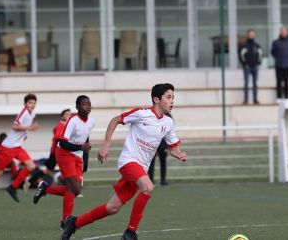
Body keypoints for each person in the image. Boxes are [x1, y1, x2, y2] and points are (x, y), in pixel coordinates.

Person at [60, 83, 187, 240]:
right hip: (129, 161)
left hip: (141, 168)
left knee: (112, 207)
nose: (172, 101)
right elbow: (115, 120)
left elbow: (173, 148)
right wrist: (106, 146)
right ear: (156, 99)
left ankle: (74, 222)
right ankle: (130, 232)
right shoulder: (141, 113)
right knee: (148, 187)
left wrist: (179, 154)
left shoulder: (168, 123)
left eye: (173, 98)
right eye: (168, 97)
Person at [33, 96, 94, 229]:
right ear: (77, 107)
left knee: (76, 190)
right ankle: (65, 222)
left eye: (89, 104)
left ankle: (45, 188)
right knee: (73, 187)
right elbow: (62, 142)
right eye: (84, 104)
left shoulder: (91, 122)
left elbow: (86, 139)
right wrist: (80, 147)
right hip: (64, 154)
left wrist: (85, 159)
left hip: (78, 156)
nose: (88, 106)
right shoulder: (72, 121)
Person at [27, 109, 72, 186]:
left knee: (48, 170)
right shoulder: (61, 126)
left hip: (57, 152)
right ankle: (70, 187)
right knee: (68, 169)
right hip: (57, 152)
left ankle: (32, 179)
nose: (69, 116)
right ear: (62, 117)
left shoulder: (65, 126)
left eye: (70, 114)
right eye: (66, 114)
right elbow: (59, 139)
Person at [271, 26, 288, 99]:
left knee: (286, 82)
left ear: (287, 32)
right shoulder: (275, 42)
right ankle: (279, 97)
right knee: (278, 82)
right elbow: (273, 52)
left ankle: (287, 97)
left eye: (284, 31)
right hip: (278, 65)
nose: (283, 33)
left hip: (287, 65)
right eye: (282, 32)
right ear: (280, 32)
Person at [239, 29, 263, 105]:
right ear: (247, 35)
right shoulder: (244, 46)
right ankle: (245, 100)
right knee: (246, 83)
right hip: (247, 67)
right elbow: (241, 55)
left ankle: (255, 100)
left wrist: (258, 63)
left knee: (255, 83)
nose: (251, 36)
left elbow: (260, 55)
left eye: (253, 34)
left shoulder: (257, 46)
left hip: (255, 66)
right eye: (250, 34)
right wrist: (244, 63)